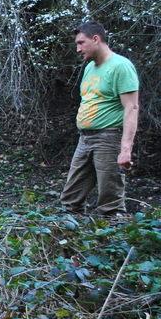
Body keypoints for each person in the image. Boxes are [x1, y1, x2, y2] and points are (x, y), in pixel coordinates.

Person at [60, 21, 140, 217]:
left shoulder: (121, 67)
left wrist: (125, 150)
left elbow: (132, 108)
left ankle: (112, 243)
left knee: (109, 203)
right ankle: (72, 242)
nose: (78, 49)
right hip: (85, 138)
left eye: (81, 43)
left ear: (96, 39)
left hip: (108, 138)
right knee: (71, 198)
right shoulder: (90, 68)